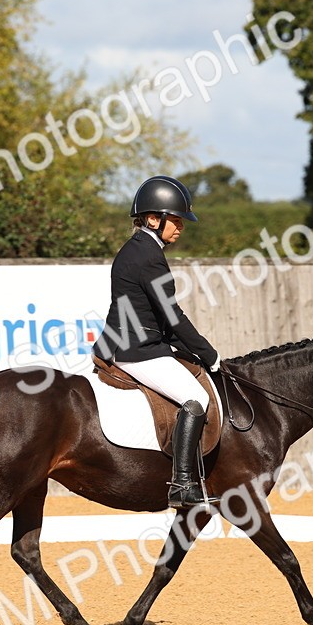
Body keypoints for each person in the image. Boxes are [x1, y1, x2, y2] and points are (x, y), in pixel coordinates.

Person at [93, 175, 222, 508]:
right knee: (195, 397)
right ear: (153, 218)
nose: (180, 227)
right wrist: (209, 354)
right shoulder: (149, 256)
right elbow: (172, 315)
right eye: (175, 220)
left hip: (133, 342)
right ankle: (182, 483)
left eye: (181, 221)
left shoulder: (138, 249)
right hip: (138, 351)